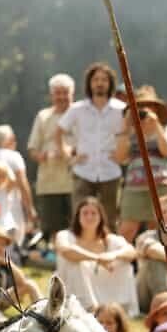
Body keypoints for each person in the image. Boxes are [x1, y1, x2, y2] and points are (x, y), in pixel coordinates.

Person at [57, 62, 125, 227]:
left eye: (104, 80)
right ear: (89, 83)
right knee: (79, 217)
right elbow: (58, 132)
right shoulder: (77, 109)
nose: (100, 83)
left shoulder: (122, 109)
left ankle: (107, 251)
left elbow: (130, 134)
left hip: (110, 171)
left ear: (110, 84)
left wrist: (124, 155)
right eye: (96, 79)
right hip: (83, 171)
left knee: (109, 220)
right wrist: (68, 157)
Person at [53, 196, 138, 316]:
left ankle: (118, 307)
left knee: (124, 263)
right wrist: (98, 258)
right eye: (85, 213)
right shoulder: (65, 235)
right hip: (72, 288)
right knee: (75, 263)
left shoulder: (110, 240)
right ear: (78, 217)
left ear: (100, 217)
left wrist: (112, 255)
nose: (89, 217)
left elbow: (132, 252)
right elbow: (66, 250)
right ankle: (89, 307)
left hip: (103, 286)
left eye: (93, 213)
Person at [114, 86, 167, 243]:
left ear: (156, 109)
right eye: (140, 106)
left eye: (148, 106)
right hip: (134, 187)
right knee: (126, 229)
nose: (144, 110)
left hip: (161, 186)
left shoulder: (166, 129)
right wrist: (126, 125)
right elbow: (120, 157)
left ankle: (158, 262)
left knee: (159, 229)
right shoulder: (129, 132)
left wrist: (156, 126)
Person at [26, 73, 77, 238]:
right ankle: (59, 260)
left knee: (77, 223)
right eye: (58, 92)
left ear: (72, 94)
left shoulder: (80, 113)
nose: (61, 97)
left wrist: (70, 151)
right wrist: (44, 155)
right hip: (49, 182)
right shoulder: (43, 116)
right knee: (54, 225)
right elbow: (32, 149)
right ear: (51, 95)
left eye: (65, 92)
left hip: (76, 179)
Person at [0, 126, 36, 236]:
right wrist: (30, 210)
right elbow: (22, 184)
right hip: (10, 212)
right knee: (9, 249)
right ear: (10, 139)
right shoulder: (14, 157)